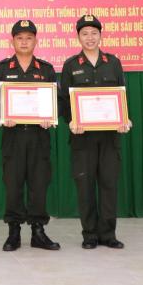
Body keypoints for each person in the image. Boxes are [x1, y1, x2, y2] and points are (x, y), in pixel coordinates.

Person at [58, 14, 132, 250]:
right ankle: (89, 234)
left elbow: (121, 94)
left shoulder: (113, 62)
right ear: (78, 37)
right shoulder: (71, 65)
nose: (89, 38)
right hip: (82, 137)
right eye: (84, 34)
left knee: (109, 185)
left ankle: (108, 234)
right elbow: (64, 100)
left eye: (94, 33)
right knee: (85, 186)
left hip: (110, 136)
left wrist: (124, 119)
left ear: (100, 35)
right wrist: (71, 121)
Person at [0, 19, 60, 252]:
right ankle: (14, 232)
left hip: (39, 136)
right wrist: (3, 115)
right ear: (12, 41)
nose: (24, 42)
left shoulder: (46, 69)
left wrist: (50, 116)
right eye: (20, 38)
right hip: (13, 136)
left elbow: (57, 99)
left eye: (29, 38)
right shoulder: (2, 68)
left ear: (36, 41)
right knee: (13, 184)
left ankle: (38, 231)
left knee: (39, 184)